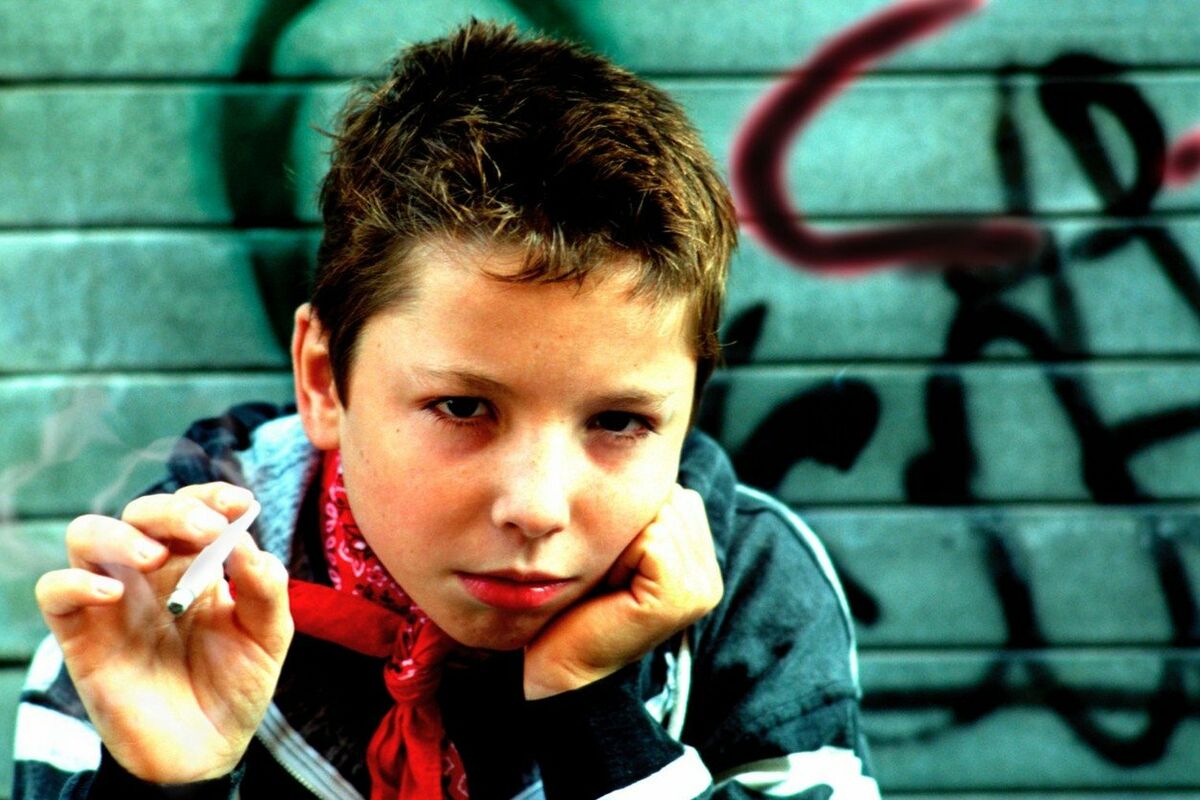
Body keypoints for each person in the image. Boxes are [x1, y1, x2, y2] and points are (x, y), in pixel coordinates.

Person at [14, 20, 880, 800]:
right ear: (323, 381)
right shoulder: (156, 608)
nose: (536, 507)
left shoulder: (751, 590)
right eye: (463, 406)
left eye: (619, 422)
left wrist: (590, 708)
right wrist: (166, 785)